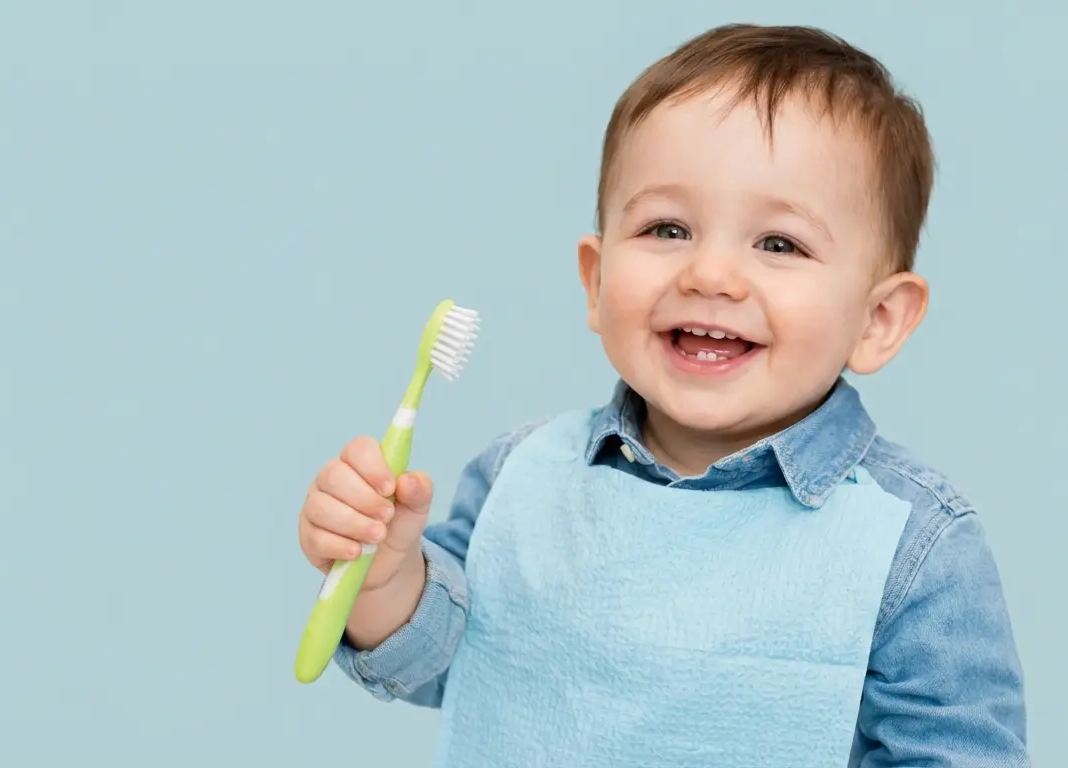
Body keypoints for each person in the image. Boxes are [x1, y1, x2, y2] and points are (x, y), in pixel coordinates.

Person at [297, 23, 1029, 767]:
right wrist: (385, 575)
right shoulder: (521, 477)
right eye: (667, 228)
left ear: (877, 320)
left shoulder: (913, 545)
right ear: (597, 277)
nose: (710, 274)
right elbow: (433, 663)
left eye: (779, 244)